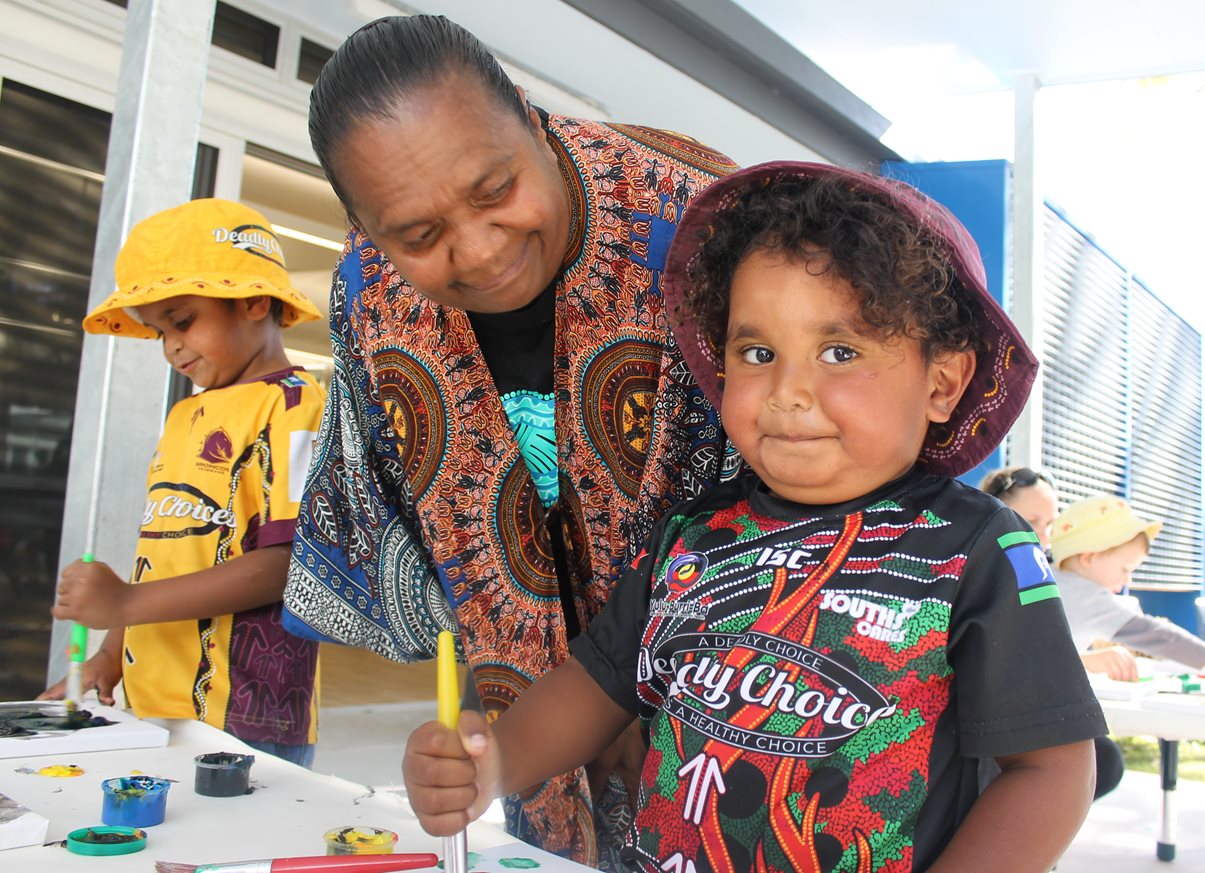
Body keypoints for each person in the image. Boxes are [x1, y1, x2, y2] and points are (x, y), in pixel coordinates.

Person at [402, 162, 1108, 873]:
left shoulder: (978, 550)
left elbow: (1053, 769)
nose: (787, 392)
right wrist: (490, 766)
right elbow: (595, 683)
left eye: (840, 351)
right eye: (758, 351)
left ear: (943, 381)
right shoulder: (693, 536)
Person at [279, 14, 739, 865]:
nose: (481, 250)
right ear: (368, 231)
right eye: (417, 237)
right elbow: (384, 509)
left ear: (528, 115)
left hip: (738, 720)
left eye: (495, 190)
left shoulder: (709, 218)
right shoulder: (368, 299)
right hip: (529, 740)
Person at [39, 198, 325, 766]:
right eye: (157, 331)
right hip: (154, 702)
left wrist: (124, 600)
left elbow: (291, 562)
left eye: (183, 321)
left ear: (253, 301)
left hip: (243, 713)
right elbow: (162, 558)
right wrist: (111, 652)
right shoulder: (183, 417)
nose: (170, 347)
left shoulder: (298, 407)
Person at [979, 466, 1127, 798]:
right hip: (979, 729)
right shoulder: (984, 569)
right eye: (1033, 522)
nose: (1044, 535)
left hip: (1014, 718)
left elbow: (1035, 651)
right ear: (993, 510)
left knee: (1101, 758)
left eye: (1051, 524)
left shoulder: (1035, 569)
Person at [1050, 496, 1205, 699]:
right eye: (1125, 568)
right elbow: (1159, 636)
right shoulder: (1088, 598)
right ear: (1089, 558)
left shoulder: (1050, 581)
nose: (1128, 580)